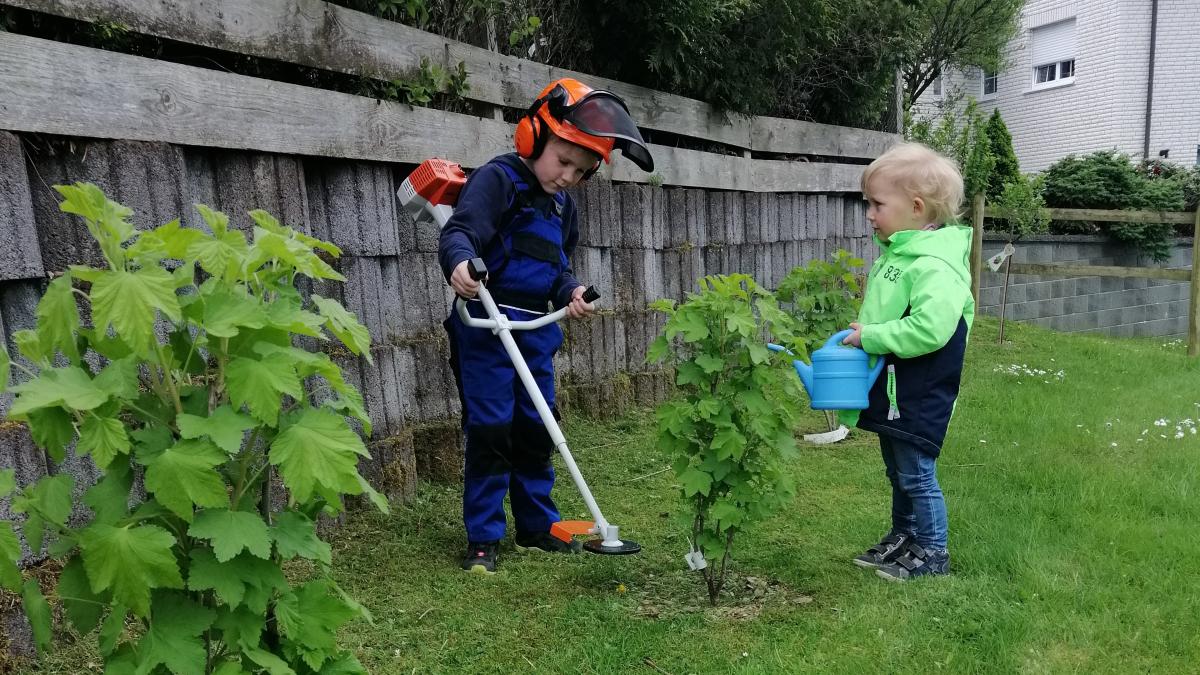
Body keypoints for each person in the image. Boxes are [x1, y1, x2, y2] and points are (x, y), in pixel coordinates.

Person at [438, 77, 654, 574]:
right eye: (563, 161)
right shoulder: (497, 180)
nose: (567, 176)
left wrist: (571, 293)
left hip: (536, 332)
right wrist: (462, 264)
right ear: (533, 136)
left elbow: (558, 268)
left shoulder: (562, 206)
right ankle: (483, 537)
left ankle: (537, 526)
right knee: (492, 429)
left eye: (581, 171)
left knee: (538, 428)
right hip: (488, 329)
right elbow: (461, 231)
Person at [841, 142, 974, 581]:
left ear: (916, 208)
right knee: (896, 470)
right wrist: (864, 337)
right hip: (895, 385)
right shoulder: (899, 255)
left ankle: (934, 551)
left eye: (877, 204)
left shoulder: (935, 265)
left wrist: (873, 336)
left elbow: (931, 329)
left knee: (916, 472)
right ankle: (905, 536)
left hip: (921, 390)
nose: (869, 214)